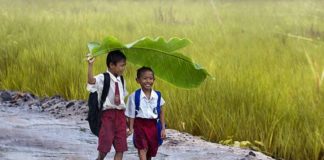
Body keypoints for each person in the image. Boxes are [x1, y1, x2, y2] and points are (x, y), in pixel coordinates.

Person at [87, 50, 128, 160]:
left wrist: (127, 120)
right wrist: (90, 65)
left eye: (124, 65)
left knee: (121, 148)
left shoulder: (122, 80)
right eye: (121, 65)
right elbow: (91, 81)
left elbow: (123, 100)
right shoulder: (103, 78)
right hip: (107, 116)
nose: (123, 68)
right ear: (111, 65)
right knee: (104, 149)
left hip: (120, 116)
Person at [125, 66, 166, 160]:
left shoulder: (157, 95)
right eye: (144, 78)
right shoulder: (134, 96)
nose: (148, 81)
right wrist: (130, 128)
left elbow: (161, 112)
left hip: (153, 126)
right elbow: (131, 114)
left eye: (150, 78)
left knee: (150, 150)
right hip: (139, 126)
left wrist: (163, 128)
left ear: (154, 80)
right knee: (142, 148)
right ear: (137, 80)